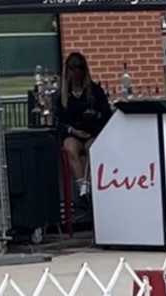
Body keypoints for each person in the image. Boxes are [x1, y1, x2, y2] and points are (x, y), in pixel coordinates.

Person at [53, 52, 111, 199]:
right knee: (70, 148)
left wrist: (95, 115)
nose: (77, 72)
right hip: (73, 132)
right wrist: (73, 130)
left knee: (93, 148)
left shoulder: (95, 91)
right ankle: (81, 187)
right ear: (68, 71)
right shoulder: (61, 95)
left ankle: (86, 186)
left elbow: (106, 115)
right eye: (72, 68)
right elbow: (58, 121)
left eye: (80, 67)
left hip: (91, 132)